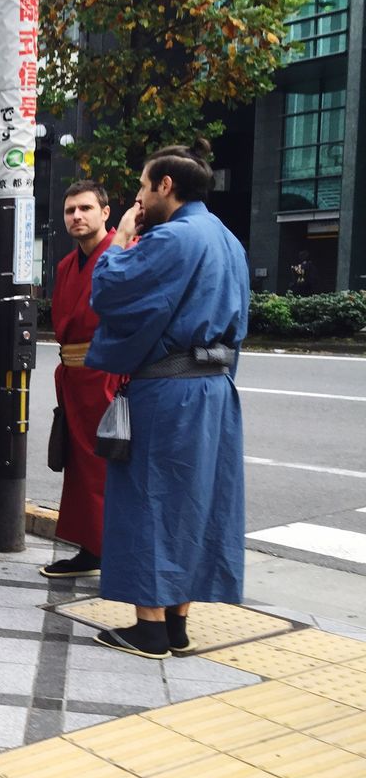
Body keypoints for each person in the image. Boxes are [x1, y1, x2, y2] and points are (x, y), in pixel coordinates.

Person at [86, 142, 248, 659]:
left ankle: (150, 628)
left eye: (140, 185)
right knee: (195, 504)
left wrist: (122, 240)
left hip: (169, 390)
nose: (137, 196)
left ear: (165, 186)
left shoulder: (172, 237)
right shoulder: (227, 239)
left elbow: (110, 291)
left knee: (149, 499)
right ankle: (178, 623)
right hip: (215, 390)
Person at [41, 182, 123, 578]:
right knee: (79, 468)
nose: (77, 216)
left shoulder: (123, 253)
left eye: (86, 208)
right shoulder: (64, 267)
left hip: (108, 375)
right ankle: (91, 548)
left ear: (105, 213)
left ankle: (114, 551)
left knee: (108, 467)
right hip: (73, 377)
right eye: (70, 210)